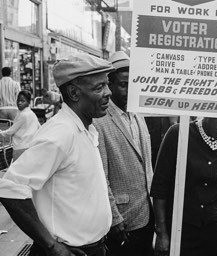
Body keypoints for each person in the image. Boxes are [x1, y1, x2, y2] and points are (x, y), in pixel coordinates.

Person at [0, 53, 115, 256]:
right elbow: (10, 187)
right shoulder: (61, 133)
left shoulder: (85, 129)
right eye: (99, 87)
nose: (108, 93)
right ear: (74, 93)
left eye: (106, 84)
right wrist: (52, 246)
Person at [151, 117, 217, 256]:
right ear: (208, 115)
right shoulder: (178, 134)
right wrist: (161, 233)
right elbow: (160, 187)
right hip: (180, 228)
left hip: (213, 230)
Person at [93, 51, 155, 256]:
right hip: (121, 221)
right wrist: (115, 217)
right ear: (109, 85)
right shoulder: (99, 121)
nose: (130, 90)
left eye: (133, 83)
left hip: (146, 214)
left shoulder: (138, 112)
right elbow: (101, 176)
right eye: (123, 84)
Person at [0, 90, 40, 161]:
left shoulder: (23, 115)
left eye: (22, 101)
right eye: (18, 100)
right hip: (30, 146)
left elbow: (11, 131)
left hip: (20, 148)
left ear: (28, 102)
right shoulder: (31, 114)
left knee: (17, 170)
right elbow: (39, 127)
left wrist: (1, 133)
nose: (19, 103)